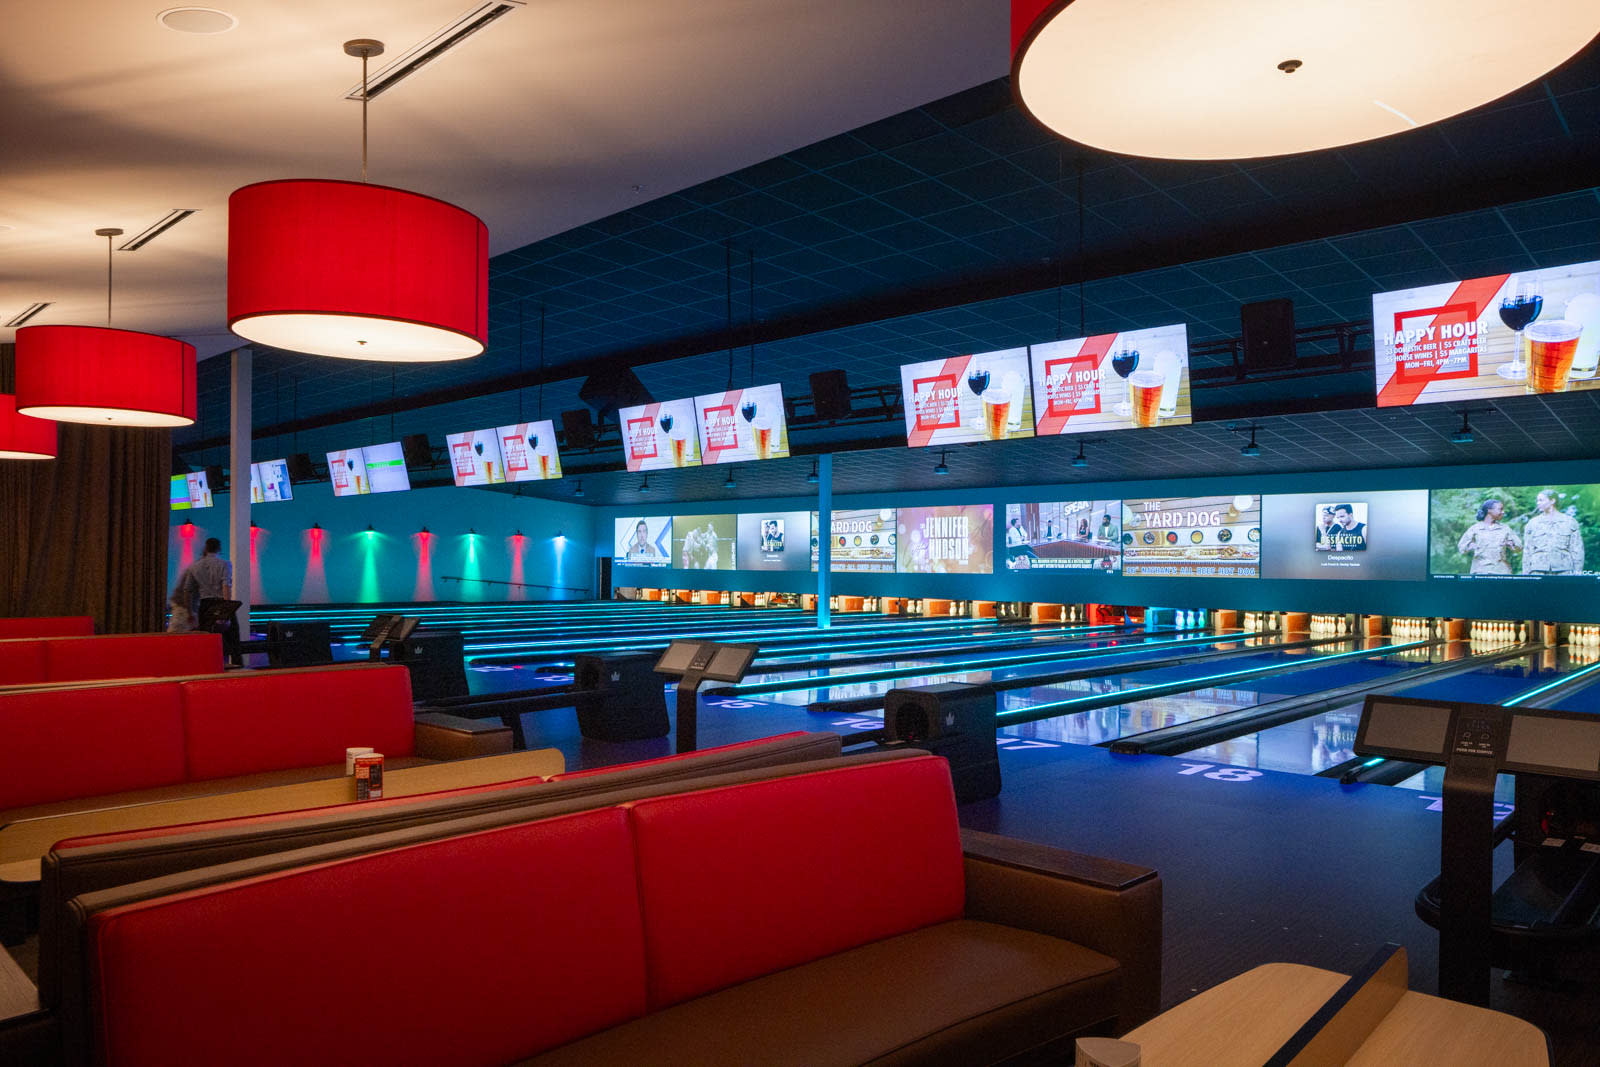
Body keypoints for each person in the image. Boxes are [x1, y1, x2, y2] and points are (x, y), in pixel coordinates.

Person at [1522, 490, 1584, 575]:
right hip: (1538, 570)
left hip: (1564, 570)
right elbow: (1527, 551)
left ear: (1552, 501)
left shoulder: (1569, 522)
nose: (1538, 503)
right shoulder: (1532, 523)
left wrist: (1578, 572)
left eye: (1541, 500)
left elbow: (1577, 549)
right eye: (1537, 500)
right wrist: (1526, 574)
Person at [1457, 498, 1521, 575]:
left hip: (1501, 572)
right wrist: (1470, 546)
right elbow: (1461, 548)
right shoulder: (1475, 529)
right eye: (1500, 509)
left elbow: (1519, 547)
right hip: (1480, 571)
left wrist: (1511, 544)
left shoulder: (1505, 529)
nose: (1503, 512)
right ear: (1489, 511)